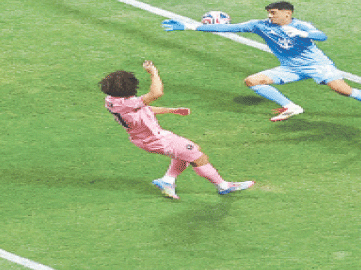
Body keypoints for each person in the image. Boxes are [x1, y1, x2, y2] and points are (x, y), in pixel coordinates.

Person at [161, 1, 361, 125]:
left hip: (317, 65)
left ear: (287, 14)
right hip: (290, 67)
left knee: (342, 90)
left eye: (274, 13)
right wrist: (188, 25)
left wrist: (303, 35)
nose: (270, 17)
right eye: (268, 13)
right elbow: (228, 27)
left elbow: (322, 36)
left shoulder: (301, 25)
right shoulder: (260, 25)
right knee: (252, 81)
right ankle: (291, 107)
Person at [99, 60, 254, 200]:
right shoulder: (127, 103)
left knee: (187, 151)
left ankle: (167, 181)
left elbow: (141, 109)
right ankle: (223, 186)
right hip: (156, 140)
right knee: (197, 156)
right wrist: (153, 72)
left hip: (149, 138)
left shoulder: (112, 100)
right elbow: (156, 93)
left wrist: (171, 110)